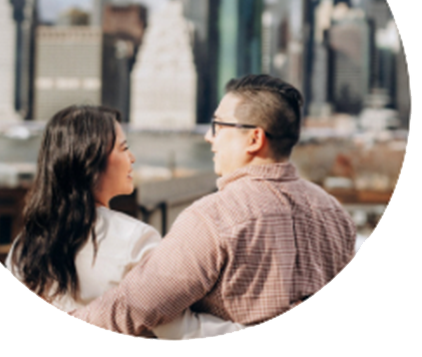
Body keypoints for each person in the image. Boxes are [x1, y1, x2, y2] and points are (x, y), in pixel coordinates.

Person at [71, 74, 357, 335]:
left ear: (254, 138)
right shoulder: (335, 214)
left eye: (218, 126)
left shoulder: (214, 218)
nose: (209, 137)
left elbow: (137, 305)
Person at [6, 104, 243, 339]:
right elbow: (179, 330)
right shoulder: (135, 238)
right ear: (91, 159)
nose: (132, 157)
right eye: (124, 148)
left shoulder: (24, 245)